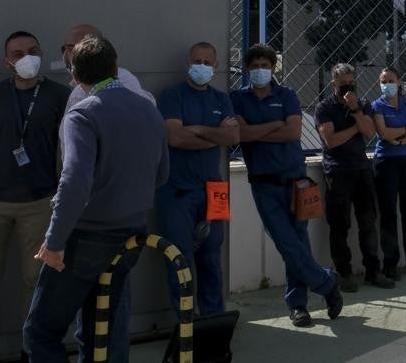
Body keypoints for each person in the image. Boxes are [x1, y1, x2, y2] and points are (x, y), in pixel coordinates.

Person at [22, 35, 168, 362]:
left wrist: (54, 243)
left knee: (40, 333)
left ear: (75, 77)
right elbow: (162, 175)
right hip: (132, 233)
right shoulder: (149, 110)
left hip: (87, 238)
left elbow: (74, 180)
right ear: (115, 68)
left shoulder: (82, 114)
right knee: (99, 328)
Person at [0, 31, 71, 362]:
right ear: (6, 61)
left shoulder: (59, 95)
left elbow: (70, 148)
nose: (26, 57)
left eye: (33, 50)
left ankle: (31, 348)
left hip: (40, 202)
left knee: (35, 280)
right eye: (18, 52)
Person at [231, 45, 342, 327]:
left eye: (264, 65)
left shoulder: (287, 95)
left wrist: (258, 131)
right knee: (286, 243)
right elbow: (241, 133)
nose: (259, 70)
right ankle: (327, 282)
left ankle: (298, 306)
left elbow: (293, 131)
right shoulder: (239, 99)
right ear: (247, 69)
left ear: (273, 67)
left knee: (298, 243)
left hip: (296, 180)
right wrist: (273, 125)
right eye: (254, 65)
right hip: (263, 183)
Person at [157, 41, 239, 315]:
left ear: (215, 67)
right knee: (180, 260)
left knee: (212, 258)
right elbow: (175, 137)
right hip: (177, 191)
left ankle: (213, 322)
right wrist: (214, 134)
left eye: (207, 62)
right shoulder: (172, 96)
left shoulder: (221, 99)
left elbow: (233, 137)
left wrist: (199, 130)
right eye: (196, 61)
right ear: (187, 64)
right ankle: (186, 327)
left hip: (214, 191)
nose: (201, 66)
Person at [317, 63, 393, 291]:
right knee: (340, 225)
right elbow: (331, 140)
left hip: (361, 169)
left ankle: (373, 271)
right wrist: (355, 128)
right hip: (337, 171)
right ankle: (344, 273)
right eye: (343, 84)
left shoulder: (362, 105)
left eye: (351, 82)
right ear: (334, 84)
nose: (348, 87)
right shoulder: (325, 108)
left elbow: (370, 132)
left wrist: (356, 111)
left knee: (368, 222)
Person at [371, 66, 406, 280]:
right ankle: (390, 264)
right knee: (388, 215)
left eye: (390, 80)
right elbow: (384, 133)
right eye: (383, 81)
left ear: (399, 82)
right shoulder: (377, 106)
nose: (387, 84)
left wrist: (402, 139)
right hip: (386, 163)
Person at [61, 24, 152, 111]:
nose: (66, 53)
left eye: (70, 48)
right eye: (64, 49)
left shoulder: (79, 103)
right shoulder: (143, 102)